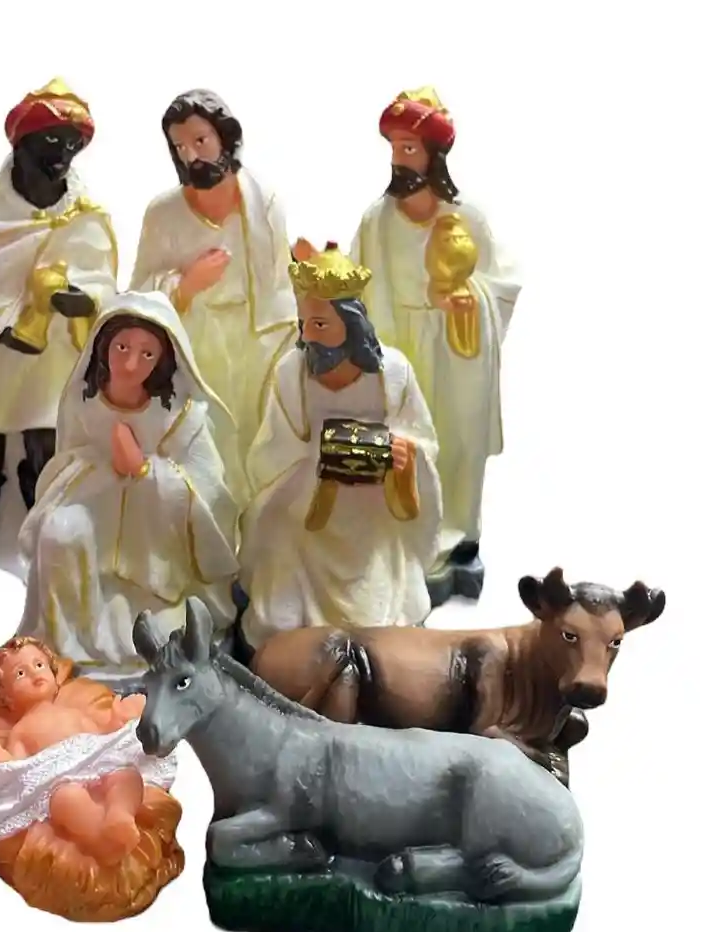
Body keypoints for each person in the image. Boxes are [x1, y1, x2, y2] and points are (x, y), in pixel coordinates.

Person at [0, 78, 118, 596]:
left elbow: (100, 278)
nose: (62, 155)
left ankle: (45, 551)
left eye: (72, 144)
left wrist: (81, 299)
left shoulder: (85, 214)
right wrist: (0, 320)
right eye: (51, 140)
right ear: (22, 141)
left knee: (46, 448)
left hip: (54, 352)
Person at [351, 87, 521, 605]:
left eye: (410, 148)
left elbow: (501, 282)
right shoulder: (377, 220)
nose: (400, 160)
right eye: (395, 149)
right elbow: (357, 282)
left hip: (453, 351)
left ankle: (456, 533)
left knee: (455, 439)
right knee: (402, 438)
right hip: (397, 344)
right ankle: (401, 530)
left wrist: (468, 301)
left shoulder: (467, 217)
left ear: (434, 155)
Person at [17, 290, 240, 679]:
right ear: (102, 346)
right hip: (93, 524)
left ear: (163, 360)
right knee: (58, 532)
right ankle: (68, 644)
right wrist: (103, 471)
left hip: (158, 553)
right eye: (121, 347)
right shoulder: (84, 403)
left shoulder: (182, 417)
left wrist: (145, 472)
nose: (131, 363)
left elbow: (210, 492)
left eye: (147, 354)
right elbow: (64, 464)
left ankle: (139, 641)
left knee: (163, 627)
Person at [239, 242, 442, 652]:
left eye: (320, 324)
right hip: (309, 507)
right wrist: (320, 459)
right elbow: (271, 451)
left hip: (374, 509)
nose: (307, 337)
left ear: (352, 322)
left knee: (380, 613)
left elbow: (422, 439)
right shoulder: (291, 373)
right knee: (279, 614)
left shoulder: (393, 373)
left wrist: (403, 456)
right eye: (303, 324)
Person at [129, 89, 297, 480]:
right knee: (207, 438)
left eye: (200, 140)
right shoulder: (163, 214)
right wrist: (186, 286)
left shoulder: (264, 202)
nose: (192, 156)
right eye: (180, 147)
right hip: (197, 340)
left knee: (261, 434)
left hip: (258, 340)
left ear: (225, 136)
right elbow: (138, 295)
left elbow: (279, 284)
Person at [0, 636, 176, 867]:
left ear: (54, 674)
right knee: (67, 800)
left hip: (95, 759)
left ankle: (120, 814)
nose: (34, 674)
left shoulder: (74, 712)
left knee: (127, 775)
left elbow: (101, 735)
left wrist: (118, 717)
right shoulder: (21, 731)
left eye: (39, 665)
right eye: (20, 674)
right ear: (6, 696)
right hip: (59, 777)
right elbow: (19, 771)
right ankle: (100, 838)